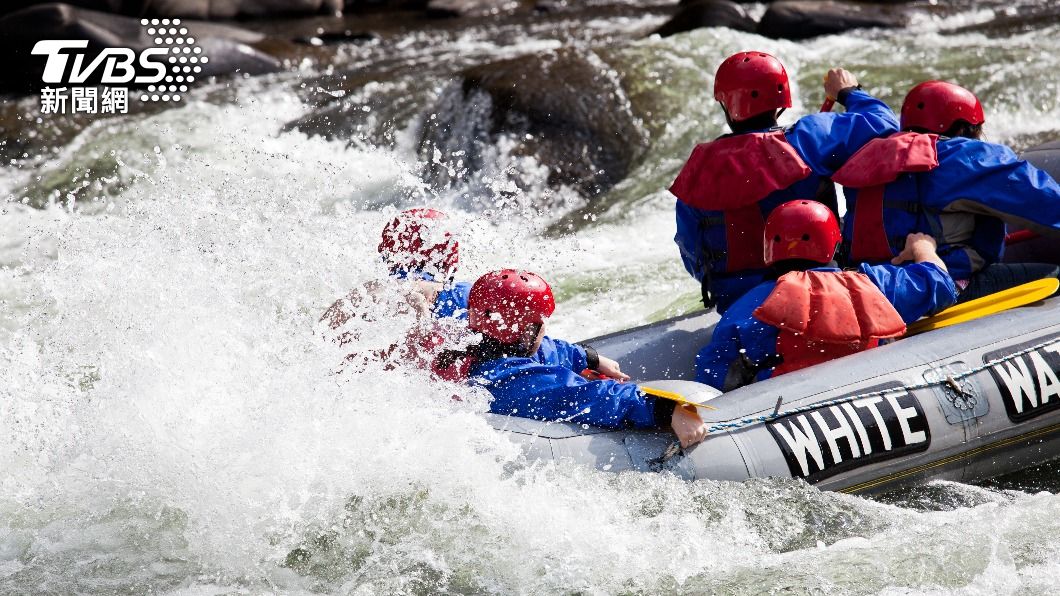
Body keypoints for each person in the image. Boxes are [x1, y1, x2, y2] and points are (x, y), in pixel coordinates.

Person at [670, 51, 899, 313]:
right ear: (781, 101)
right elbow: (885, 124)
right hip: (822, 288)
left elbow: (693, 256)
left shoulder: (698, 170)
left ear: (726, 104)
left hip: (739, 304)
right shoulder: (809, 139)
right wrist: (849, 92)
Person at [833, 80, 1060, 302]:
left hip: (882, 287)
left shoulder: (869, 155)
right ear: (962, 128)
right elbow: (1047, 203)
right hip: (946, 287)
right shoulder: (965, 157)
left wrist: (850, 93)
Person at [696, 200, 957, 391]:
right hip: (877, 389)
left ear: (769, 252)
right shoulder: (876, 284)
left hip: (786, 409)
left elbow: (712, 377)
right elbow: (943, 285)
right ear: (835, 244)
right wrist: (924, 247)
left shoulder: (748, 307)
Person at [432, 269, 709, 448]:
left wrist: (588, 358)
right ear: (529, 332)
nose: (545, 329)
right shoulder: (512, 380)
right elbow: (586, 396)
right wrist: (664, 409)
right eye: (542, 324)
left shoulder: (475, 339)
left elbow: (547, 349)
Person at [321, 208, 472, 367]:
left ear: (389, 252)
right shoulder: (464, 293)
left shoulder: (370, 292)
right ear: (451, 255)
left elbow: (321, 336)